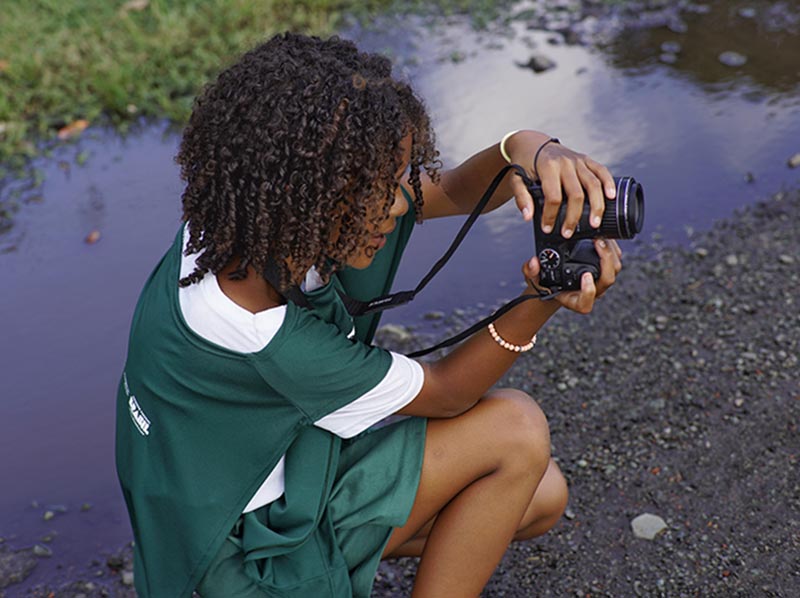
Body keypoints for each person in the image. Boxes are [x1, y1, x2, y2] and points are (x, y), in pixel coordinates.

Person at [115, 32, 623, 598]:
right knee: (516, 429)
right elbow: (450, 391)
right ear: (309, 190)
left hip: (232, 502)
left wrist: (526, 149)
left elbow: (452, 190)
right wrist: (542, 301)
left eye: (398, 177)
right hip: (240, 561)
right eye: (380, 189)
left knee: (540, 495)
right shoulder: (256, 329)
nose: (402, 203)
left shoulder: (245, 227)